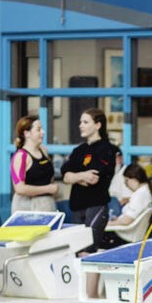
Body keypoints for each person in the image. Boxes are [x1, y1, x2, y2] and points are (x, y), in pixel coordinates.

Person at [60, 108, 117, 256]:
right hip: (77, 207)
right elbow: (65, 176)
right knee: (75, 251)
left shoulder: (107, 149)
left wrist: (75, 176)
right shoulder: (79, 150)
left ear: (98, 125)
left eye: (85, 122)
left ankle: (89, 280)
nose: (80, 125)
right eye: (80, 122)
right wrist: (81, 175)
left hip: (95, 206)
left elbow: (92, 179)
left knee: (87, 251)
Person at [10, 114, 59, 214]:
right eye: (39, 129)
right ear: (27, 133)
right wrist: (48, 189)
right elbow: (19, 188)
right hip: (27, 208)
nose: (43, 132)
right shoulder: (21, 156)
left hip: (47, 205)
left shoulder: (44, 151)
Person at [102, 162, 152, 249]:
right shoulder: (145, 191)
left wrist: (107, 223)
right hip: (130, 234)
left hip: (125, 237)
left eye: (126, 180)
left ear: (134, 179)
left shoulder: (139, 195)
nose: (126, 184)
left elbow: (127, 221)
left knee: (92, 236)